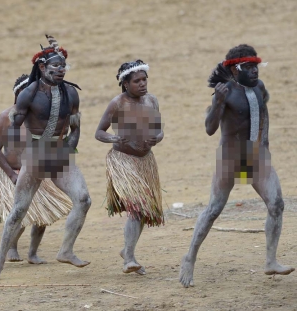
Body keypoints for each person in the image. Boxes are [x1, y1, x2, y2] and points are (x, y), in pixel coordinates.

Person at [179, 44, 294, 287]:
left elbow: (264, 112)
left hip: (256, 156)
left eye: (256, 67)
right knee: (214, 209)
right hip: (230, 159)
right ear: (234, 69)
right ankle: (189, 257)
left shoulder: (259, 88)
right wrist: (218, 102)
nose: (255, 72)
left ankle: (270, 260)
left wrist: (265, 140)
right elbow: (210, 129)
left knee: (277, 204)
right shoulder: (224, 92)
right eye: (249, 67)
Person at [0, 35, 90, 282]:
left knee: (83, 199)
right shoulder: (28, 94)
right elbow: (13, 127)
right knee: (19, 210)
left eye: (63, 67)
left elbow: (75, 127)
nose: (61, 71)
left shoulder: (72, 94)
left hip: (59, 154)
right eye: (55, 67)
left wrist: (69, 148)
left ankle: (66, 250)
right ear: (42, 68)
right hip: (34, 156)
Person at [0, 74, 73, 264]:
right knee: (19, 214)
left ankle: (32, 252)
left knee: (42, 217)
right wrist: (11, 174)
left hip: (36, 171)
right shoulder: (6, 117)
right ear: (17, 95)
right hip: (13, 174)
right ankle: (12, 246)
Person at [95, 59, 164, 275]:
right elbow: (99, 132)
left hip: (145, 162)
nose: (142, 84)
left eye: (144, 79)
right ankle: (130, 258)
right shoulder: (117, 103)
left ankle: (127, 250)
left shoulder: (152, 101)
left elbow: (159, 130)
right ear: (125, 83)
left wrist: (156, 139)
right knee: (137, 207)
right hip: (123, 162)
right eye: (137, 81)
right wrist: (114, 138)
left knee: (143, 211)